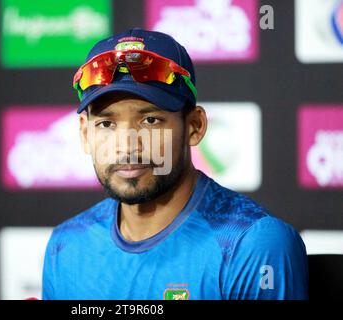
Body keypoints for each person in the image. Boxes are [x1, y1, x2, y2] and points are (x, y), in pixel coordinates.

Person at [42, 28, 308, 300]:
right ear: (86, 134)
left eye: (150, 121)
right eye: (107, 124)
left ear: (195, 126)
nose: (127, 146)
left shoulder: (253, 244)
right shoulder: (66, 245)